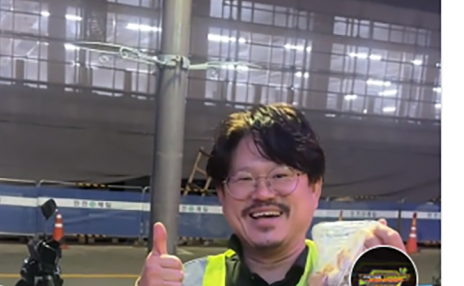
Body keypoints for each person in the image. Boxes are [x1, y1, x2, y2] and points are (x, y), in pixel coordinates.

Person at [138, 103, 406, 286]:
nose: (263, 193)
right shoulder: (188, 281)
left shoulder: (347, 276)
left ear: (315, 188)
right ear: (222, 194)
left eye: (280, 176)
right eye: (244, 179)